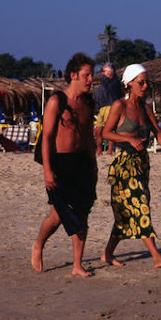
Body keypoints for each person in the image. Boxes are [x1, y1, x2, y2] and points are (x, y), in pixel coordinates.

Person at [100, 64, 161, 269]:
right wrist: (127, 139)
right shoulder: (119, 106)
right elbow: (105, 133)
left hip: (142, 164)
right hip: (123, 165)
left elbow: (157, 132)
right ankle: (156, 256)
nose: (145, 86)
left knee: (127, 213)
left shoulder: (146, 108)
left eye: (147, 82)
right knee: (140, 207)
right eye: (141, 82)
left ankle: (107, 254)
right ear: (129, 84)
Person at [31, 53, 98, 277]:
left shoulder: (88, 103)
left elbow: (89, 137)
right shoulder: (56, 101)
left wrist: (94, 165)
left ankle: (77, 265)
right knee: (58, 216)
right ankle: (39, 243)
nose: (91, 79)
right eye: (87, 75)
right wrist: (47, 171)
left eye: (92, 75)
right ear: (73, 75)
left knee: (82, 213)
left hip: (83, 162)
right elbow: (47, 138)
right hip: (60, 163)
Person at [93, 63, 123, 155]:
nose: (103, 73)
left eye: (104, 71)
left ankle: (110, 150)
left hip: (111, 106)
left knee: (109, 129)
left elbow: (115, 94)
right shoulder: (103, 83)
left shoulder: (115, 82)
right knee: (98, 131)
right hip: (102, 108)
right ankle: (99, 149)